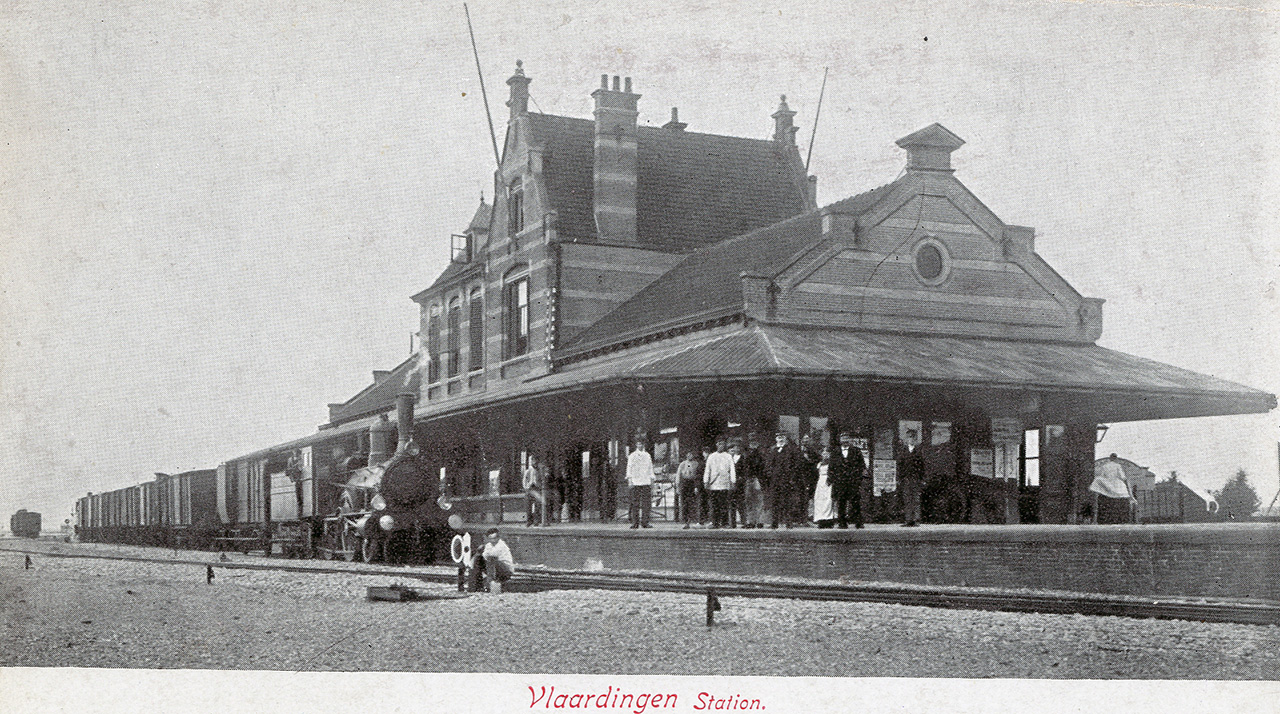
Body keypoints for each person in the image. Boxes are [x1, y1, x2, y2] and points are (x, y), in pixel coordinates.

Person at [764, 432, 807, 528]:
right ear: (776, 439)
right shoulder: (772, 450)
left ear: (786, 439)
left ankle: (788, 522)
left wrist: (792, 476)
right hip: (775, 480)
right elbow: (768, 464)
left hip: (787, 479)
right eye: (778, 437)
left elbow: (796, 464)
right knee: (775, 501)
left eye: (782, 437)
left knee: (787, 501)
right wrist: (770, 473)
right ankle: (774, 522)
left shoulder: (791, 450)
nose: (780, 439)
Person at [830, 431, 866, 529]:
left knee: (855, 501)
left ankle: (858, 522)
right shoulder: (835, 452)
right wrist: (833, 479)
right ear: (840, 440)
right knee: (841, 502)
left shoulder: (856, 451)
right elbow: (831, 467)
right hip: (840, 481)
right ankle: (842, 522)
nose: (845, 440)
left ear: (850, 440)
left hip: (852, 481)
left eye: (847, 438)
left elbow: (862, 465)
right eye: (843, 438)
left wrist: (858, 478)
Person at [703, 438, 736, 528]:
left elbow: (732, 469)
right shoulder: (711, 456)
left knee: (724, 504)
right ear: (716, 444)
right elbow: (707, 470)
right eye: (719, 443)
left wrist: (733, 481)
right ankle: (715, 522)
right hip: (714, 484)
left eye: (722, 444)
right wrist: (706, 481)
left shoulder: (728, 456)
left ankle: (724, 523)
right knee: (714, 504)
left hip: (724, 483)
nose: (721, 445)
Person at [472, 527, 515, 594]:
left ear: (498, 538)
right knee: (478, 558)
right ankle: (477, 585)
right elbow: (484, 556)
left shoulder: (502, 545)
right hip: (493, 567)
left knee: (492, 558)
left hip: (505, 570)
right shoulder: (488, 545)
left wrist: (487, 554)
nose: (492, 540)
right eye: (490, 538)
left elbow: (492, 555)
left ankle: (490, 583)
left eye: (494, 538)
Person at [626, 438, 654, 529]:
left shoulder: (647, 455)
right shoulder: (632, 456)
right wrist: (630, 480)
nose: (640, 446)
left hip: (645, 481)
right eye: (638, 444)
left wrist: (651, 480)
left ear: (644, 445)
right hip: (635, 482)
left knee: (646, 503)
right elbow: (629, 468)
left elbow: (650, 468)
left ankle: (645, 522)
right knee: (635, 503)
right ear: (636, 445)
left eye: (641, 444)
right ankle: (635, 522)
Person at [898, 429, 924, 527]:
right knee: (907, 499)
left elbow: (922, 466)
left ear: (915, 439)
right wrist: (899, 478)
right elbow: (900, 465)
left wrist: (922, 478)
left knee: (916, 499)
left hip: (915, 478)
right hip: (906, 478)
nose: (911, 439)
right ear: (906, 439)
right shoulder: (903, 451)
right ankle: (908, 519)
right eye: (909, 437)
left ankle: (916, 519)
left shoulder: (918, 451)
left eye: (913, 437)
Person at [741, 434, 766, 528]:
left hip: (757, 478)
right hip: (749, 478)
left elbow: (762, 464)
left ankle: (759, 521)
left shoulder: (760, 452)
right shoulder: (747, 452)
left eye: (754, 441)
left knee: (758, 500)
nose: (753, 443)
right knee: (749, 500)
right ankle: (751, 521)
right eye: (751, 441)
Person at [675, 450, 701, 529]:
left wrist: (697, 486)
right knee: (684, 502)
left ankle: (692, 519)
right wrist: (678, 486)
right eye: (688, 454)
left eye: (691, 454)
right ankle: (685, 520)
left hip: (692, 483)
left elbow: (697, 475)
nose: (690, 456)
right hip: (684, 483)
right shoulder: (682, 464)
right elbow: (678, 475)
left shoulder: (696, 464)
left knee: (692, 502)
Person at [813, 447, 837, 527]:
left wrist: (831, 479)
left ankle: (828, 519)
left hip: (828, 482)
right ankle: (820, 519)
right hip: (820, 482)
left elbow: (834, 473)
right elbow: (816, 474)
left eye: (827, 453)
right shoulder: (819, 464)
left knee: (828, 500)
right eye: (823, 453)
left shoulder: (832, 463)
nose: (825, 455)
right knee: (819, 500)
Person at [523, 455, 544, 526]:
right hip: (530, 489)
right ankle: (529, 520)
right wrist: (526, 487)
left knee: (537, 505)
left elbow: (542, 479)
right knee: (528, 505)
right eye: (533, 461)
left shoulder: (539, 471)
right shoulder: (528, 471)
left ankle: (536, 520)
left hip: (537, 488)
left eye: (535, 461)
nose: (534, 462)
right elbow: (524, 480)